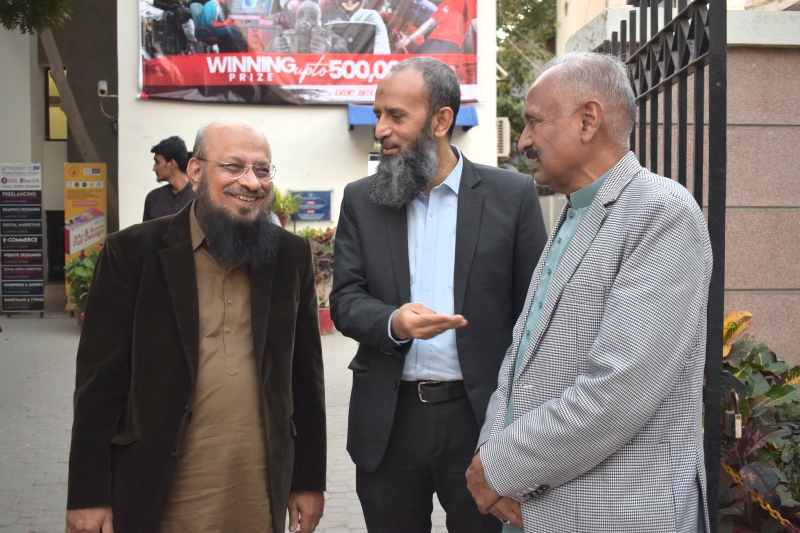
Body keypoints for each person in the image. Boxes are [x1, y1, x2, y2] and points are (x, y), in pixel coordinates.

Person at [465, 52, 712, 532]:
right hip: (537, 506)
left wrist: (497, 466)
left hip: (615, 515)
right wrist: (490, 456)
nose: (524, 140)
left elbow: (619, 389)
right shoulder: (575, 211)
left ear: (588, 120)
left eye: (534, 121)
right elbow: (521, 357)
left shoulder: (662, 211)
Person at [66, 118, 326, 533]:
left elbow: (306, 378)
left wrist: (309, 481)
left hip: (257, 491)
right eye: (234, 166)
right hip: (158, 489)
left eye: (262, 170)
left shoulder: (289, 256)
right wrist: (87, 495)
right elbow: (98, 386)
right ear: (196, 171)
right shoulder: (132, 254)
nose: (251, 182)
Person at [330, 57, 548, 532]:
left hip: (481, 423)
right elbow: (344, 299)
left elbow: (538, 316)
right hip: (389, 423)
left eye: (396, 116)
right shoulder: (361, 200)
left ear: (441, 120)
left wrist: (523, 430)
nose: (380, 130)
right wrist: (393, 322)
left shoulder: (512, 196)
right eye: (378, 115)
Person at [143, 136, 197, 222]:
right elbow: (145, 230)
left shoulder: (200, 197)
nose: (154, 168)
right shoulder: (153, 198)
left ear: (172, 163)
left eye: (157, 162)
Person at [396, 0, 476, 54]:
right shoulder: (445, 3)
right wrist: (410, 38)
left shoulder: (468, 2)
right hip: (432, 40)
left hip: (450, 41)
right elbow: (430, 23)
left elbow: (476, 22)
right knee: (417, 63)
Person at [323, 0, 390, 54]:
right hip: (334, 63)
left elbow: (382, 47)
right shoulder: (328, 17)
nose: (350, 1)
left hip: (365, 64)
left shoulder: (371, 16)